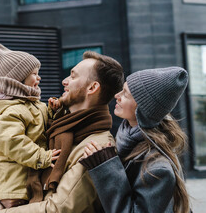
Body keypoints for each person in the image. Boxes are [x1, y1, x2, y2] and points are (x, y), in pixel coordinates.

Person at [0, 50, 125, 213]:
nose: (64, 81)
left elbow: (58, 208)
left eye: (73, 77)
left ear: (92, 87)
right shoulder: (59, 126)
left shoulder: (96, 148)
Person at [80, 67, 190, 213]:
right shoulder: (126, 139)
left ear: (142, 109)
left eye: (125, 94)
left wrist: (105, 169)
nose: (117, 95)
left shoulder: (158, 169)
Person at [0, 42, 61, 209]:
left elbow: (40, 130)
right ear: (17, 79)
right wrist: (42, 157)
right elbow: (13, 141)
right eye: (34, 73)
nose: (39, 78)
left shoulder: (34, 105)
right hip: (13, 188)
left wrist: (53, 114)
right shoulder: (11, 111)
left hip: (28, 182)